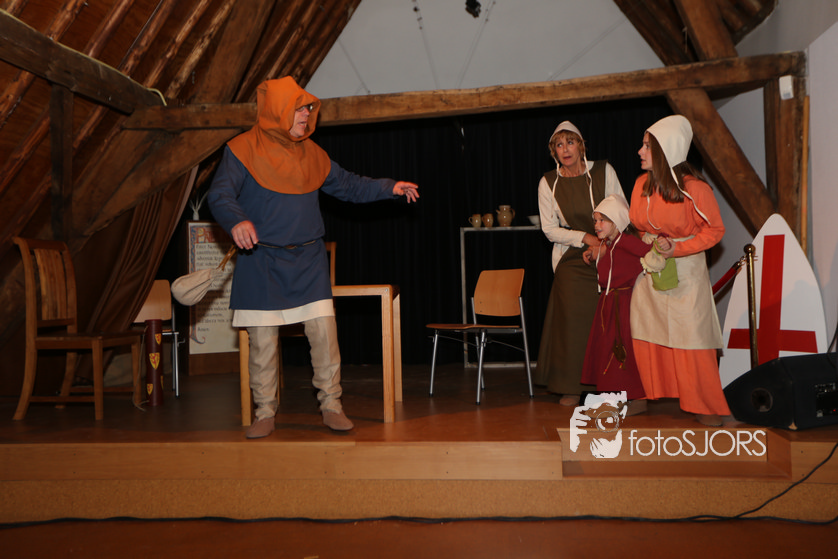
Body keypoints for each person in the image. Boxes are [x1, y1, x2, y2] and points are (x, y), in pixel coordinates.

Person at [208, 77, 419, 439]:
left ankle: (332, 405)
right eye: (299, 108)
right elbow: (220, 194)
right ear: (278, 110)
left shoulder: (313, 154)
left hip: (308, 260)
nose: (307, 114)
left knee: (324, 336)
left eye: (308, 108)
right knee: (262, 344)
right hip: (261, 261)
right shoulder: (241, 150)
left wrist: (390, 187)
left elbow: (349, 185)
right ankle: (265, 411)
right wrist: (237, 220)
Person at [628, 114, 730, 427]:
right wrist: (650, 244)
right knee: (645, 329)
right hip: (652, 267)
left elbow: (715, 230)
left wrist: (678, 248)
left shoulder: (695, 189)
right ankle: (643, 394)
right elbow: (639, 226)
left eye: (647, 146)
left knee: (691, 334)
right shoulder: (641, 184)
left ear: (666, 149)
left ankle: (704, 404)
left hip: (686, 271)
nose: (640, 151)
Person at [535, 121, 626, 406]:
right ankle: (571, 385)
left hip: (609, 248)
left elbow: (621, 210)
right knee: (572, 316)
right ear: (554, 151)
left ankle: (610, 385)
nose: (565, 149)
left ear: (581, 145)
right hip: (573, 254)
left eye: (570, 142)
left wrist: (603, 243)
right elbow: (550, 229)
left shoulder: (603, 171)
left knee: (610, 317)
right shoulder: (548, 182)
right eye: (559, 145)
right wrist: (586, 239)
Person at [580, 195, 656, 414]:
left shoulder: (627, 241)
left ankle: (637, 397)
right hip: (608, 302)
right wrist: (595, 252)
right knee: (608, 350)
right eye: (595, 220)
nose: (597, 225)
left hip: (624, 303)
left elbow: (650, 254)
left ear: (618, 221)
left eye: (603, 220)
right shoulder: (608, 244)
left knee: (624, 350)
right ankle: (615, 395)